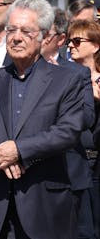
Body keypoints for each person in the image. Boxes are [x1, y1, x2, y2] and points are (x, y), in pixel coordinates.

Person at [0, 0, 87, 239]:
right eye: (11, 29)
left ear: (45, 37)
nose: (16, 37)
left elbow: (67, 131)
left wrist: (19, 150)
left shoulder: (66, 80)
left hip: (44, 206)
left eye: (26, 31)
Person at [66, 19, 100, 238]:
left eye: (77, 40)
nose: (70, 45)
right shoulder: (66, 77)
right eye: (69, 40)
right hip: (76, 161)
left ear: (96, 45)